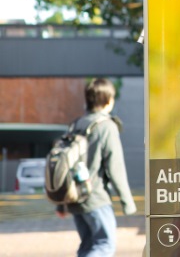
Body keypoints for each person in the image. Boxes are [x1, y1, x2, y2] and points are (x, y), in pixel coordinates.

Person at [55, 78, 137, 257]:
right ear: (109, 100)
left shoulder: (75, 125)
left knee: (88, 245)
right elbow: (115, 168)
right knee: (104, 245)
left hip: (74, 198)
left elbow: (65, 165)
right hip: (95, 197)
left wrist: (61, 204)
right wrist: (127, 203)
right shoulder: (107, 126)